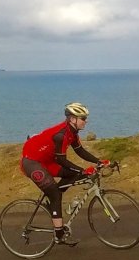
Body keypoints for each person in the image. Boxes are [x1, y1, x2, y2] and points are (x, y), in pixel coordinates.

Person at [20, 102, 112, 245]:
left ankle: (54, 204)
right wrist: (83, 170)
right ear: (72, 119)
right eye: (83, 118)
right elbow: (61, 160)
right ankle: (59, 235)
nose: (86, 121)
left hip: (47, 161)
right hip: (32, 163)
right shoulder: (61, 135)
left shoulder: (72, 132)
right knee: (56, 193)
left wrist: (99, 162)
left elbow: (80, 151)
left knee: (72, 176)